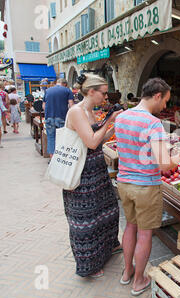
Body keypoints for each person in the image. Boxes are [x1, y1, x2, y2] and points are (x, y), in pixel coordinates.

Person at [115, 78, 180, 296]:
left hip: (124, 183)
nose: (165, 107)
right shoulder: (153, 124)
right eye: (165, 101)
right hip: (145, 186)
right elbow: (164, 165)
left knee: (130, 227)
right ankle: (139, 281)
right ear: (157, 96)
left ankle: (127, 273)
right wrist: (177, 158)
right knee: (145, 234)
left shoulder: (122, 117)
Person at [62, 73, 123, 278]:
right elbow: (91, 142)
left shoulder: (89, 110)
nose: (106, 98)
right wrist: (109, 119)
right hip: (82, 174)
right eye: (103, 94)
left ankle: (108, 249)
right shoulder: (76, 112)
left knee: (108, 211)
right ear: (91, 91)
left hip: (96, 171)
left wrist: (112, 125)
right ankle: (89, 265)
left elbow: (100, 138)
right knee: (87, 221)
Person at [42, 78, 75, 158]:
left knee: (51, 138)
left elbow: (43, 106)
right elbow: (71, 106)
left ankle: (52, 158)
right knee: (63, 138)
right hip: (62, 117)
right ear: (65, 84)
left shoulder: (48, 90)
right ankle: (61, 159)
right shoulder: (67, 91)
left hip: (49, 117)